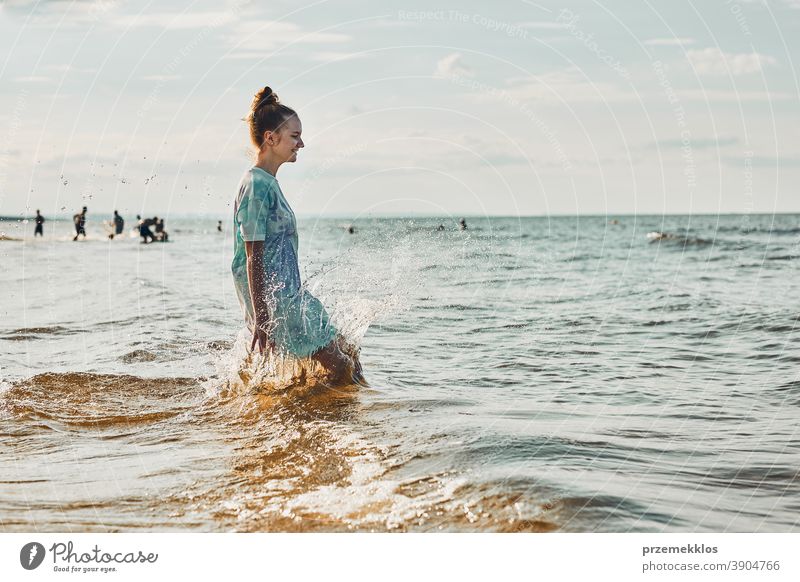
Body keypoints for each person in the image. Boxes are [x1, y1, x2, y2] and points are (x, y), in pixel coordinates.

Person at [231, 85, 363, 385]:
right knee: (341, 367)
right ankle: (317, 424)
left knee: (349, 354)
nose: (301, 143)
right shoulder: (256, 185)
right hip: (278, 301)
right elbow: (253, 257)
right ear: (271, 137)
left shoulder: (268, 183)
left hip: (291, 293)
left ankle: (310, 411)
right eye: (294, 136)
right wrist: (263, 320)